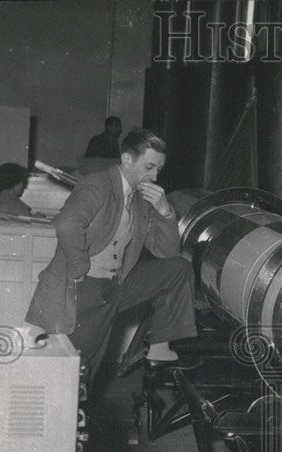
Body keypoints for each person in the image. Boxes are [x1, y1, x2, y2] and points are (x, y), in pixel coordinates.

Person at [24, 128, 197, 387]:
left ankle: (159, 348)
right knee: (80, 369)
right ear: (127, 159)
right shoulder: (98, 184)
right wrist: (80, 265)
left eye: (159, 169)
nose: (154, 176)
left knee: (178, 268)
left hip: (116, 282)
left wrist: (166, 212)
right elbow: (67, 223)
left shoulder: (140, 198)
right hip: (84, 285)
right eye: (149, 167)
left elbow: (166, 252)